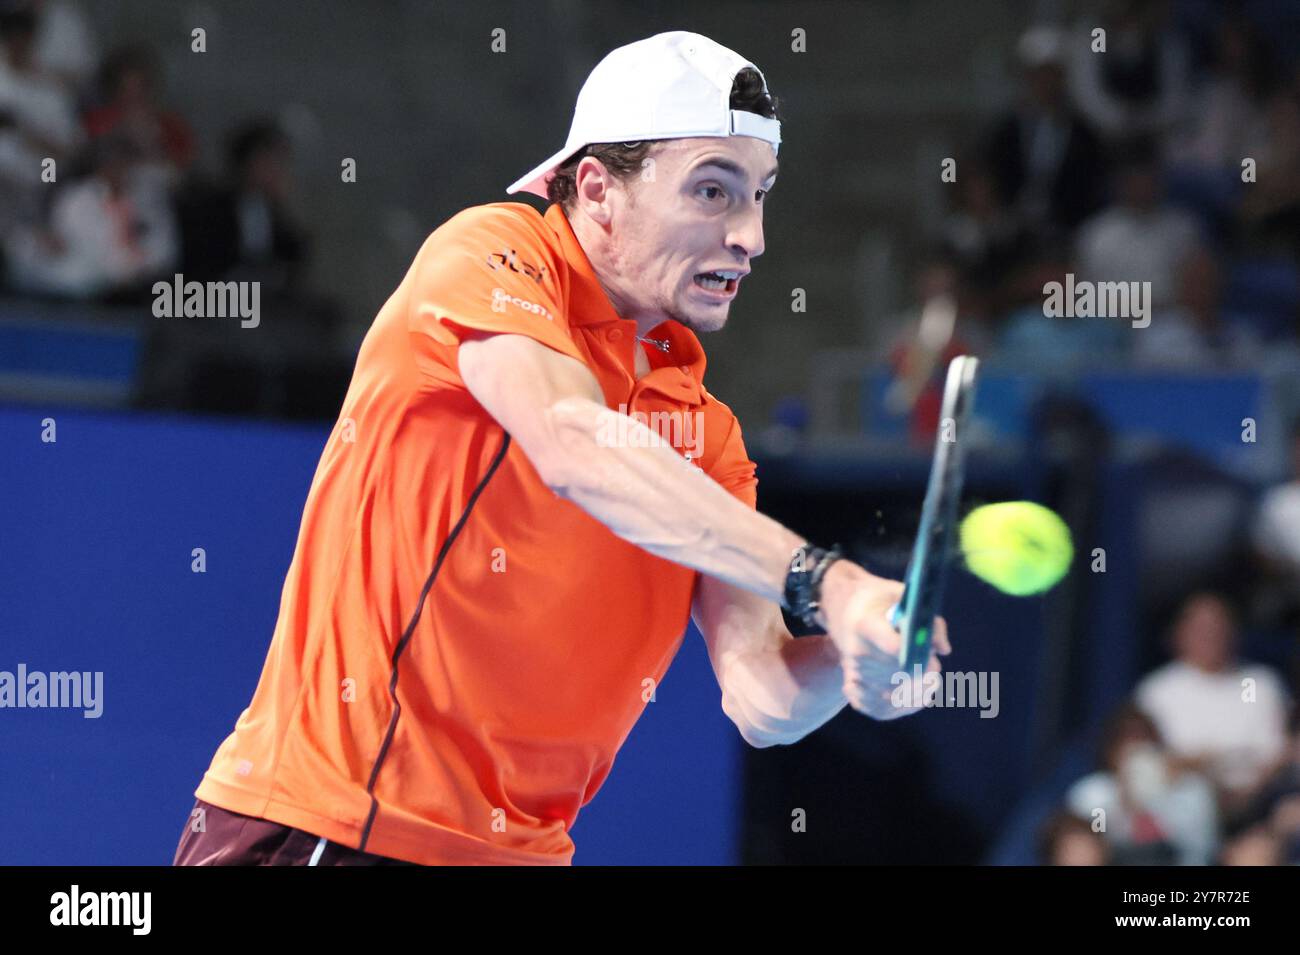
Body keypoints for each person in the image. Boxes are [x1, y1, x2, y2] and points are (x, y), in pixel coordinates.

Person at [173, 31, 950, 867]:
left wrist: (856, 656)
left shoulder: (708, 435)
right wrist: (824, 581)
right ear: (596, 189)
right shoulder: (488, 254)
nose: (750, 235)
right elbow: (576, 445)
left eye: (760, 194)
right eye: (713, 191)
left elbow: (761, 695)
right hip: (333, 826)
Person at [1135, 592, 1291, 823]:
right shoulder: (1157, 692)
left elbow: (1281, 751)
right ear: (1179, 634)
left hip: (1260, 804)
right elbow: (1144, 765)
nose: (1210, 637)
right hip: (1182, 808)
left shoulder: (1260, 684)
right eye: (1201, 629)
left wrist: (1248, 793)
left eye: (1218, 628)